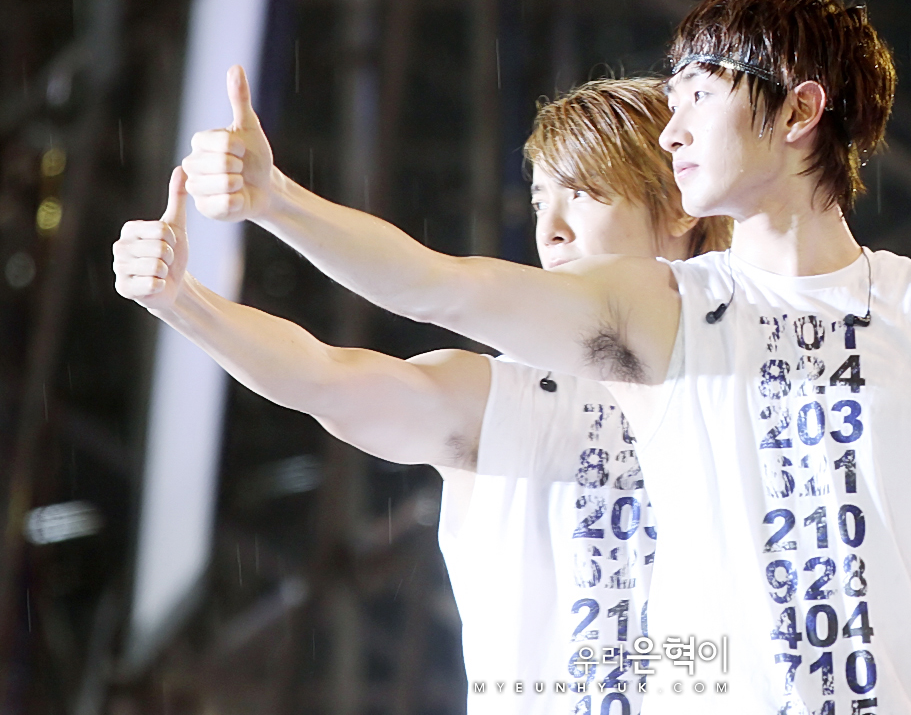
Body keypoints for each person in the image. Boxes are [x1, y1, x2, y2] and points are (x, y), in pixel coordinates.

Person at [174, 0, 911, 715]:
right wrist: (276, 203)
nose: (672, 131)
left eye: (698, 97)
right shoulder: (662, 313)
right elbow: (432, 288)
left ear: (800, 111)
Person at [113, 78, 731, 715]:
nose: (551, 230)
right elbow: (323, 378)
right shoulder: (503, 401)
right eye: (540, 199)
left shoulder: (753, 375)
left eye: (582, 193)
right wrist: (186, 299)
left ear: (680, 204)